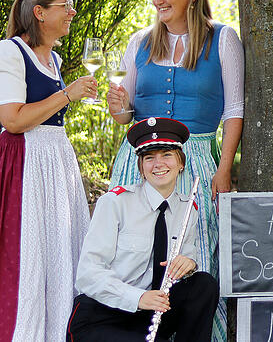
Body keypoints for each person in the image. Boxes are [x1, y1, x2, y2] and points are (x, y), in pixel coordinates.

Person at [106, 0, 243, 340]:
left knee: (195, 251)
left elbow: (234, 110)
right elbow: (123, 114)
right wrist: (116, 105)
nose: (157, 0)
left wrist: (225, 167)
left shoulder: (223, 39)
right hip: (140, 160)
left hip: (197, 158)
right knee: (131, 247)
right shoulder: (140, 42)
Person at [0, 0, 96, 341]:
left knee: (60, 262)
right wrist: (67, 96)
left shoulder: (54, 57)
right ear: (40, 12)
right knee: (28, 265)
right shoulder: (9, 52)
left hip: (56, 166)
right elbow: (13, 120)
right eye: (65, 6)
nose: (72, 12)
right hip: (24, 169)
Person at [67, 117, 219, 341]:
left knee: (203, 284)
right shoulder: (115, 203)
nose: (158, 164)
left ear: (181, 163)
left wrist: (189, 263)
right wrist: (137, 298)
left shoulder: (188, 208)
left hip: (151, 314)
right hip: (104, 314)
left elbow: (186, 255)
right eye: (149, 158)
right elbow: (88, 275)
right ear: (141, 167)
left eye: (167, 155)